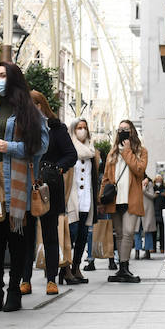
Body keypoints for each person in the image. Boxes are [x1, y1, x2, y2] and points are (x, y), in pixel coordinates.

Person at [0, 61, 47, 312]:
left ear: (13, 78)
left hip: (18, 189)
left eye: (2, 75)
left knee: (17, 243)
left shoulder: (30, 111)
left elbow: (40, 145)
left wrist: (11, 147)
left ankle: (14, 291)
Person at [23, 90, 77, 292]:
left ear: (42, 105)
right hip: (27, 185)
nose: (33, 109)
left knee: (50, 233)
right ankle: (25, 280)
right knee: (26, 236)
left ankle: (51, 279)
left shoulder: (56, 128)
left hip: (49, 188)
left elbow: (70, 155)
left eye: (36, 104)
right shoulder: (23, 128)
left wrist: (55, 168)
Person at [99, 120, 147, 283]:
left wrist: (127, 152)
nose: (123, 132)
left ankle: (125, 267)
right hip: (115, 200)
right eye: (120, 130)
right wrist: (101, 201)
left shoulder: (141, 151)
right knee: (119, 234)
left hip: (131, 199)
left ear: (132, 131)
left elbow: (140, 172)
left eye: (126, 129)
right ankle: (122, 268)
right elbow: (105, 179)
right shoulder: (112, 153)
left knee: (127, 233)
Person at [67, 118, 100, 275]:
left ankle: (76, 267)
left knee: (83, 235)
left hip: (86, 199)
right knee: (71, 233)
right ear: (73, 130)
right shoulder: (68, 147)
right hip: (72, 199)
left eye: (84, 127)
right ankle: (65, 267)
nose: (82, 130)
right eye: (79, 127)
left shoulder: (92, 150)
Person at [135, 176, 158, 260]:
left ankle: (147, 252)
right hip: (137, 209)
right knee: (136, 231)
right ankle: (137, 252)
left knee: (148, 231)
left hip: (147, 210)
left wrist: (144, 190)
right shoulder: (134, 181)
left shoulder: (149, 183)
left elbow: (152, 196)